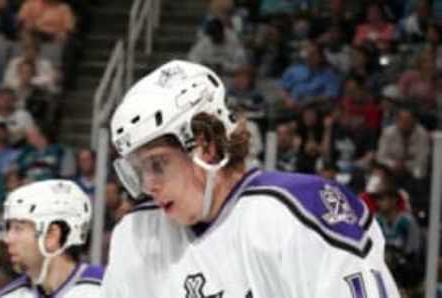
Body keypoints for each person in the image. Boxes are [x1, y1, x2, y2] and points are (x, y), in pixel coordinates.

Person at [102, 60, 400, 297]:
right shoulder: (137, 235)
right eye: (139, 170)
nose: (149, 184)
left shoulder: (299, 214)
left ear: (206, 145)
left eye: (158, 164)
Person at [0, 179, 104, 297]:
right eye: (9, 228)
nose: (8, 239)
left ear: (52, 235)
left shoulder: (107, 290)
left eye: (18, 228)